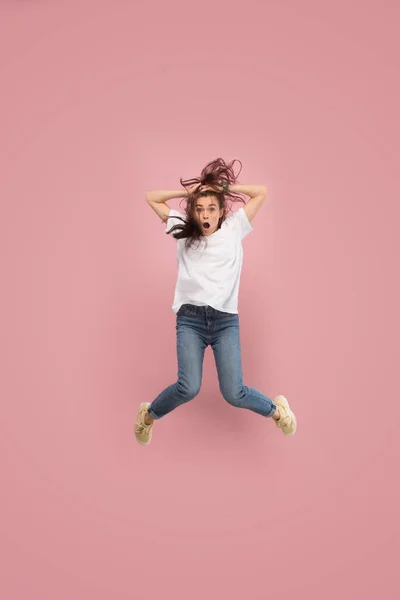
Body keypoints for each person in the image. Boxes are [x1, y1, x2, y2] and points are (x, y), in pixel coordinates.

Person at [135, 158, 296, 445]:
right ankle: (147, 417)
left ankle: (276, 410)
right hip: (190, 320)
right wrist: (190, 192)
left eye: (211, 208)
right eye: (200, 209)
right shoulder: (183, 230)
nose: (205, 214)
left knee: (234, 393)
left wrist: (223, 187)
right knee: (188, 387)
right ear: (194, 212)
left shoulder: (235, 228)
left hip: (224, 322)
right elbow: (151, 198)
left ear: (222, 211)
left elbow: (261, 192)